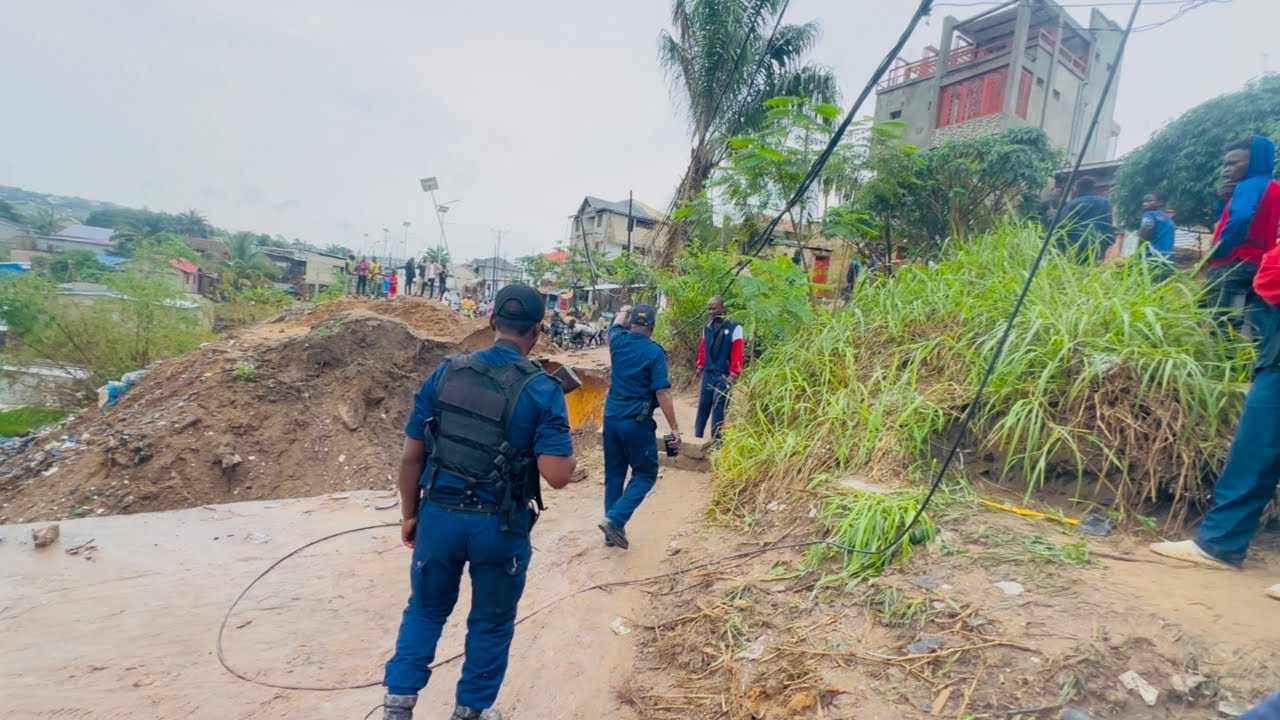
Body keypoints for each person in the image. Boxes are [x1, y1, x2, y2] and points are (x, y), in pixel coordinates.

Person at [381, 284, 576, 720]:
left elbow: (413, 456)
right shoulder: (542, 390)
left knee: (426, 609)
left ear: (491, 322)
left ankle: (398, 703)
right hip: (498, 527)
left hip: (438, 519)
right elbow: (558, 476)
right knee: (490, 622)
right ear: (538, 330)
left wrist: (410, 516)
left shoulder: (446, 372)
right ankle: (470, 711)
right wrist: (564, 436)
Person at [1151, 234, 1280, 601]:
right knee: (1251, 454)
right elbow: (1270, 280)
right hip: (1276, 359)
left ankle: (1221, 542)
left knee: (1253, 452)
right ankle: (1220, 544)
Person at [598, 304, 681, 550]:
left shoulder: (617, 341)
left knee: (614, 474)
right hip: (636, 422)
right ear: (652, 328)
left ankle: (610, 532)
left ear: (631, 323)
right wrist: (674, 427)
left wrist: (624, 309)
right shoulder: (654, 352)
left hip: (611, 419)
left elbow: (615, 323)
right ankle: (614, 520)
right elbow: (662, 391)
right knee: (645, 474)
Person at [1202, 135, 1280, 340]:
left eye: (1233, 163)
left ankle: (1219, 369)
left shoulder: (1249, 185)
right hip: (1260, 266)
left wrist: (1218, 250)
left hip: (1234, 264)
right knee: (1258, 331)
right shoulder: (1273, 187)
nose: (1226, 169)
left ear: (1253, 161)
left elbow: (1242, 218)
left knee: (1221, 327)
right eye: (1225, 164)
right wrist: (1224, 201)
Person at [695, 296, 743, 444]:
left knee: (718, 409)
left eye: (714, 308)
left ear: (722, 308)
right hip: (708, 373)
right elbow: (703, 347)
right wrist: (700, 365)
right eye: (709, 308)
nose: (710, 311)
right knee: (703, 406)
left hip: (724, 375)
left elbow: (738, 351)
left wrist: (734, 374)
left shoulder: (735, 327)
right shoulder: (707, 326)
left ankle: (717, 445)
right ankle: (696, 440)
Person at [1056, 177, 1115, 264]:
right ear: (1093, 188)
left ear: (1077, 189)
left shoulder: (1071, 204)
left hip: (1075, 245)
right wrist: (1107, 242)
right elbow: (1108, 224)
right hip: (1098, 243)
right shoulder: (1104, 202)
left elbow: (1063, 226)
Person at [1137, 191, 1176, 277]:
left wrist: (1138, 249)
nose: (1144, 204)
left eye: (1149, 201)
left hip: (1152, 257)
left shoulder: (1149, 214)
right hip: (1168, 258)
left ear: (1160, 203)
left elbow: (1147, 227)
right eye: (1144, 202)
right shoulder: (1169, 219)